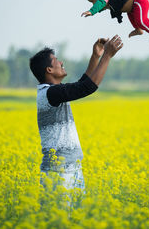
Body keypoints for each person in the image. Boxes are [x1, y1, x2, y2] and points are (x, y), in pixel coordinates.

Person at [29, 35, 123, 192]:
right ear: (49, 70)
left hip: (72, 170)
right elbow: (87, 88)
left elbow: (82, 84)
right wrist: (107, 56)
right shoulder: (50, 93)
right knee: (58, 217)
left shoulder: (53, 92)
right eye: (56, 60)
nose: (61, 62)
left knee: (75, 216)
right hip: (58, 173)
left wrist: (96, 56)